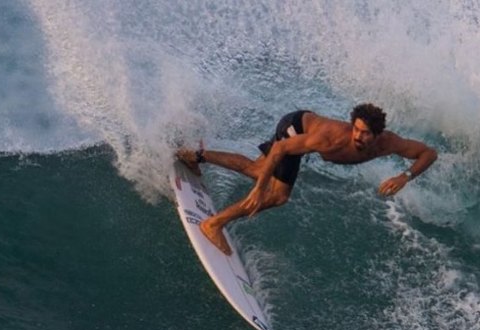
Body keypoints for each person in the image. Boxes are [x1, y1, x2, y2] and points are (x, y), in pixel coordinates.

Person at [176, 103, 438, 255]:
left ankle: (195, 156)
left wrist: (405, 176)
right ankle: (214, 224)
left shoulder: (389, 143)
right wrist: (259, 189)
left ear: (378, 134)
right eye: (356, 130)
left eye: (366, 133)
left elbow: (429, 153)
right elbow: (281, 149)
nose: (358, 137)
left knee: (258, 168)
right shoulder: (331, 138)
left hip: (305, 124)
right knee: (277, 195)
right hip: (294, 129)